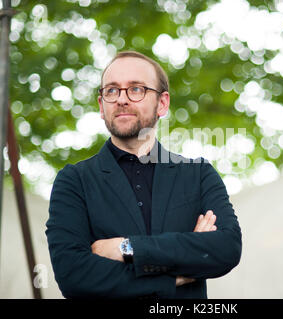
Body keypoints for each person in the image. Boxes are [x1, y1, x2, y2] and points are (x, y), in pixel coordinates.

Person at [46, 51, 242, 299]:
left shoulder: (198, 174)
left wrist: (125, 248)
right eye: (112, 90)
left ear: (162, 103)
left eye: (136, 89)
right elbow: (74, 275)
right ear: (101, 105)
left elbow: (226, 249)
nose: (122, 99)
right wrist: (176, 275)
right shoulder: (74, 181)